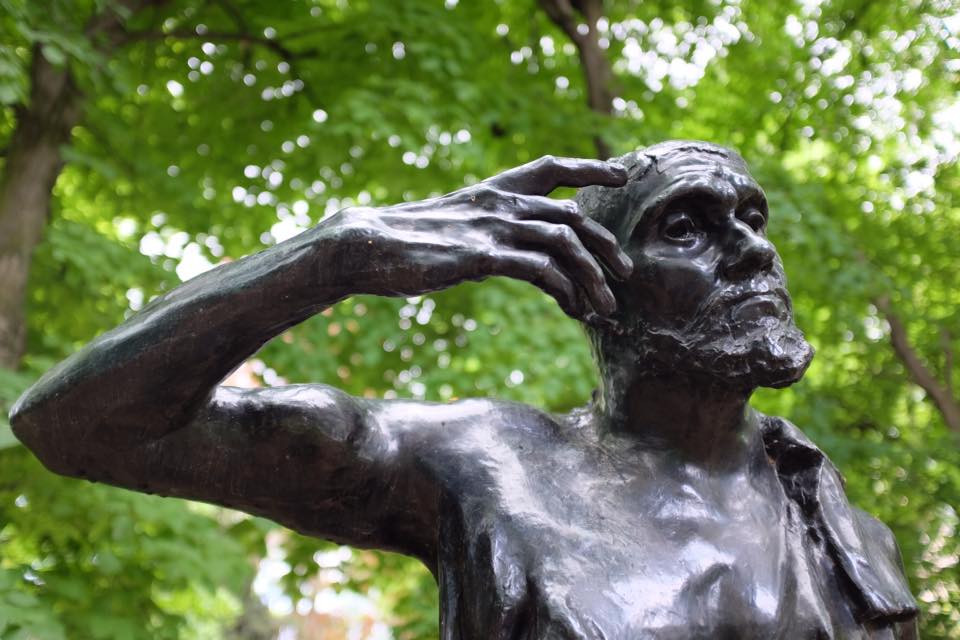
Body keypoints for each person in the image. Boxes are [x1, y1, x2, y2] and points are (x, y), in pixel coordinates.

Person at [11, 140, 918, 639]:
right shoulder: (483, 467)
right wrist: (335, 255)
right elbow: (73, 427)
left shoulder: (838, 528)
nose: (754, 249)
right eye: (685, 227)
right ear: (592, 285)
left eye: (753, 218)